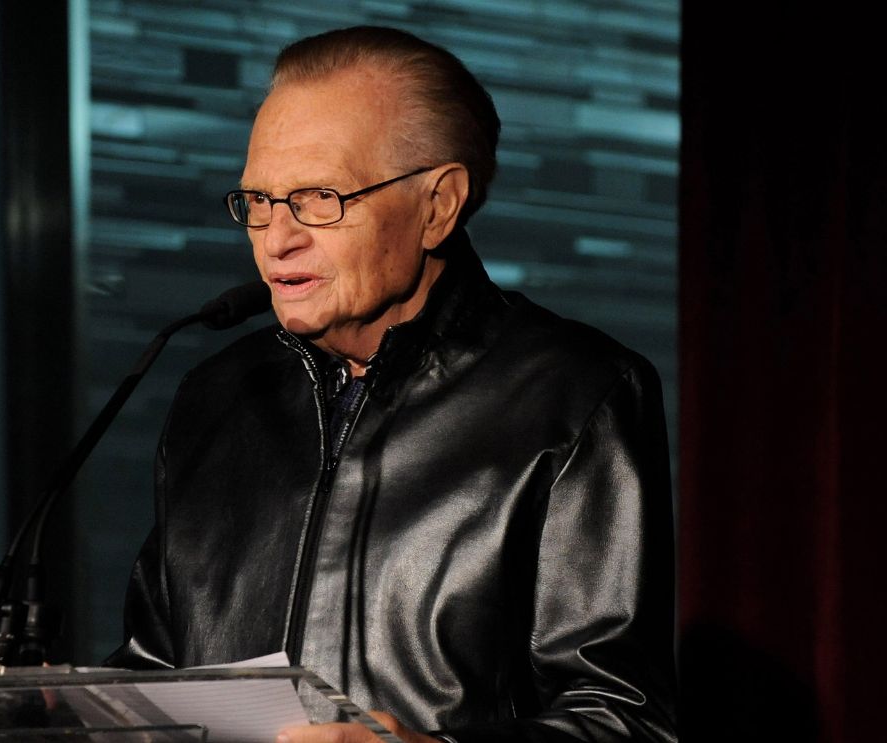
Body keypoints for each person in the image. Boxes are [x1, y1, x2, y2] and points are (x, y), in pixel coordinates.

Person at [108, 26, 676, 743]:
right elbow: (154, 679)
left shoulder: (572, 393)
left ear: (437, 205)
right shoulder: (216, 395)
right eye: (257, 199)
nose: (276, 237)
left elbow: (622, 719)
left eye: (317, 197)